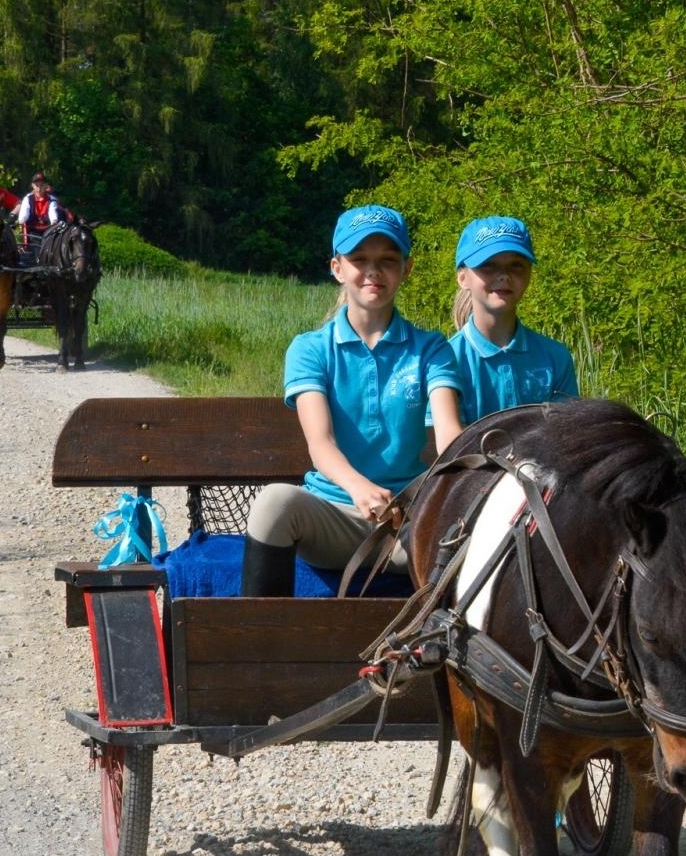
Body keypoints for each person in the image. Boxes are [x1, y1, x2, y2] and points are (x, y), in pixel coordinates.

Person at [241, 205, 464, 597]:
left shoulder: (431, 349)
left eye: (387, 260)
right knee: (273, 503)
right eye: (359, 259)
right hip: (333, 516)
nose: (373, 271)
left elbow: (449, 434)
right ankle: (261, 632)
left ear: (406, 269)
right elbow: (320, 443)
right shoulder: (310, 349)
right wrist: (360, 488)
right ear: (337, 268)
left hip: (407, 523)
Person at [448, 216, 578, 425]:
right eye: (488, 265)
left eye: (516, 265)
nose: (504, 275)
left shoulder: (555, 357)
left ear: (529, 274)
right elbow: (445, 442)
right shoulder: (446, 360)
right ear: (463, 278)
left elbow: (566, 432)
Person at [13, 171, 65, 258]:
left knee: (52, 241)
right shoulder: (28, 199)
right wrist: (21, 219)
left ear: (46, 186)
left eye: (42, 185)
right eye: (37, 185)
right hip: (33, 230)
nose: (39, 188)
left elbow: (52, 213)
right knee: (36, 241)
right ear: (33, 186)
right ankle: (39, 260)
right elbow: (23, 216)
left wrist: (54, 220)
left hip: (48, 230)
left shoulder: (51, 200)